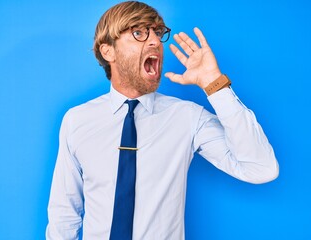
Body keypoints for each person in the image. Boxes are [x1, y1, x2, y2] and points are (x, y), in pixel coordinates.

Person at [45, 1, 279, 239]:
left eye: (157, 32)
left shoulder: (188, 117)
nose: (155, 41)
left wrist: (214, 84)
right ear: (108, 51)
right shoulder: (77, 121)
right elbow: (64, 212)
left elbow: (261, 169)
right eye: (139, 33)